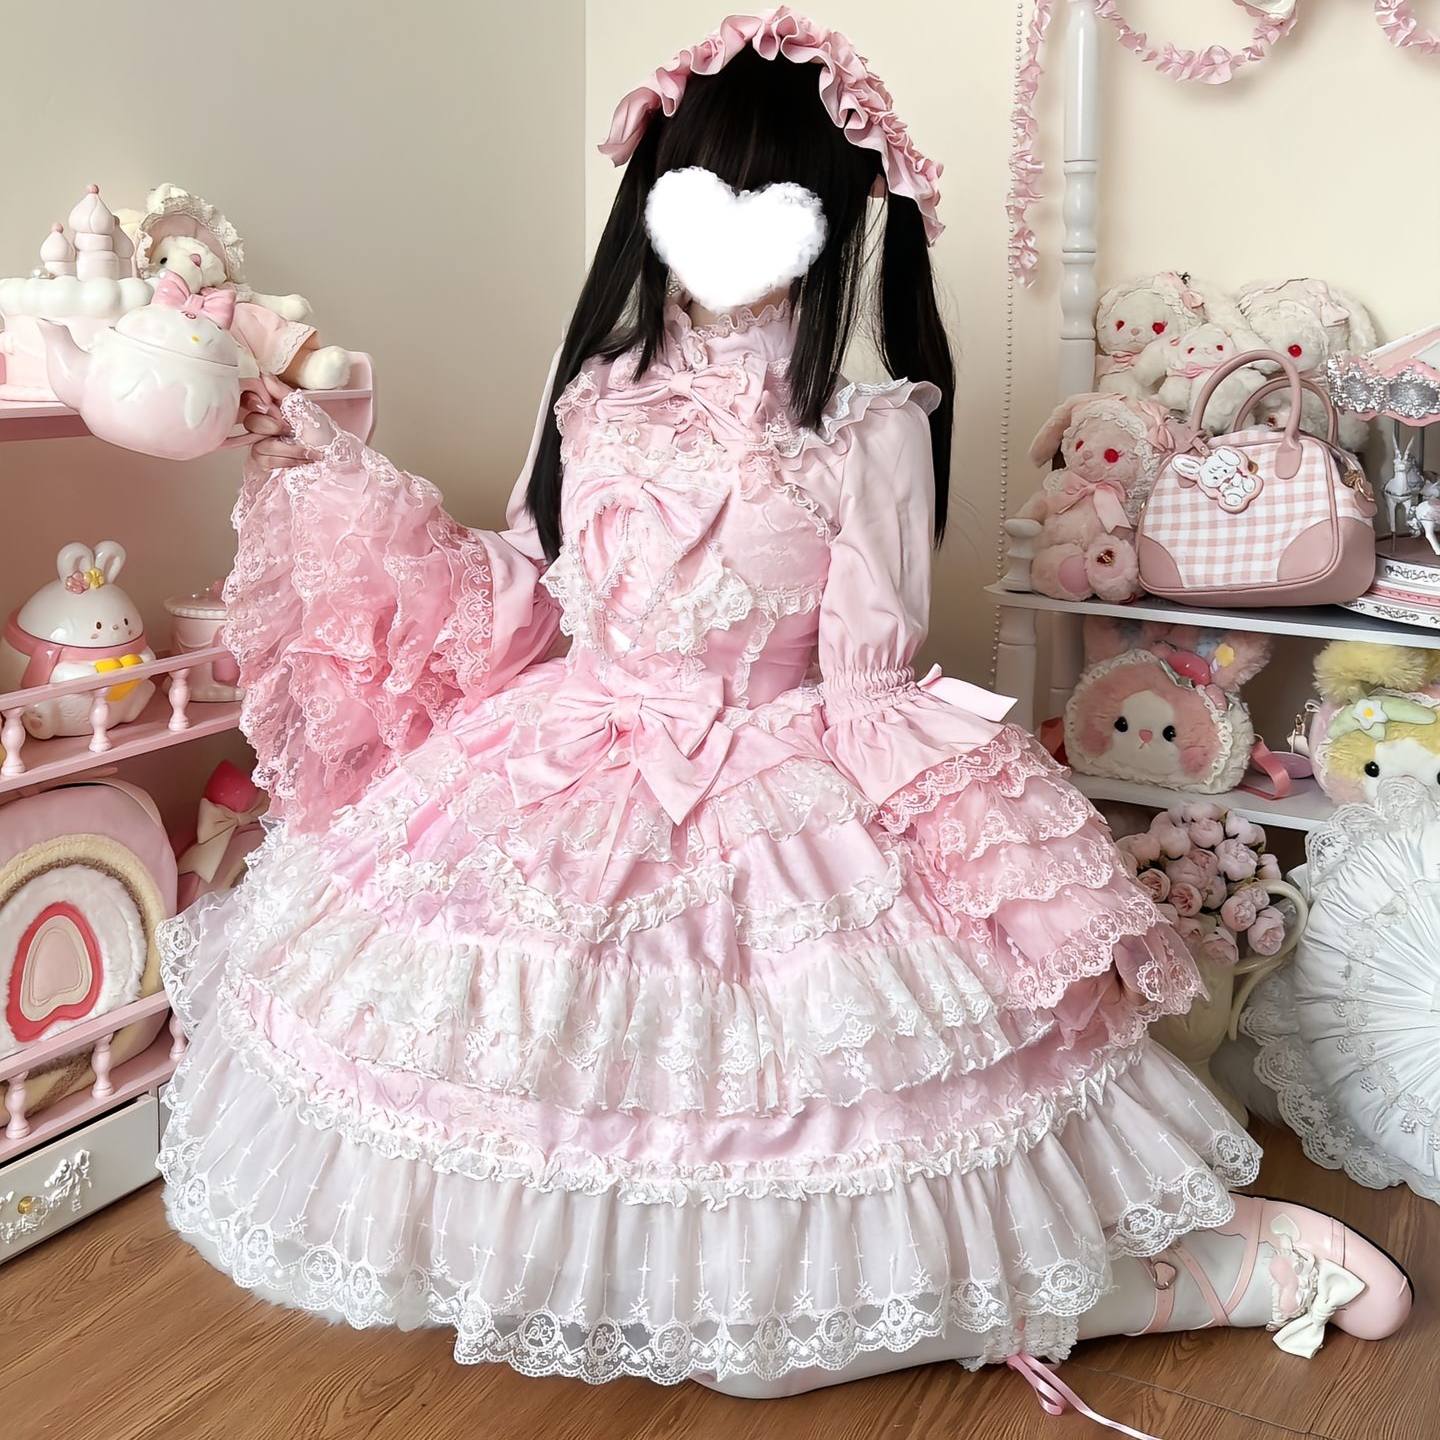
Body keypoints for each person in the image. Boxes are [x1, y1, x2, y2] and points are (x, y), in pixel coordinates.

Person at [161, 10, 1410, 1430]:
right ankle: (702, 1282)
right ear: (651, 198)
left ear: (837, 219)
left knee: (795, 1253)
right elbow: (528, 589)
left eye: (778, 196)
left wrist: (976, 862)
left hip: (785, 776)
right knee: (540, 1121)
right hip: (574, 754)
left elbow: (871, 676)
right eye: (701, 186)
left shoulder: (872, 427)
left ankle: (1176, 1275)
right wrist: (333, 472)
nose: (733, 225)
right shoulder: (591, 398)